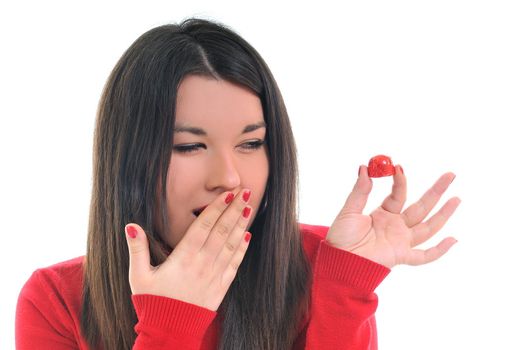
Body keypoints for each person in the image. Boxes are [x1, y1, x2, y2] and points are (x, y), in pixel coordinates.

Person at [15, 18, 461, 350]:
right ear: (127, 157)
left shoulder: (324, 265)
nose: (228, 179)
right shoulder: (55, 300)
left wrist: (347, 287)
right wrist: (170, 325)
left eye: (251, 144)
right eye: (188, 147)